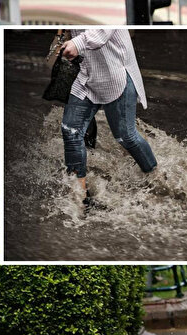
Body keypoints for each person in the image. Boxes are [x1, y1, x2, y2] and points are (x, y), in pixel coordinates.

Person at [59, 29, 157, 211]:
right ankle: (80, 198)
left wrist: (77, 43)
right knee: (70, 130)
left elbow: (103, 30)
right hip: (87, 75)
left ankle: (155, 179)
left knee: (126, 136)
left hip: (116, 74)